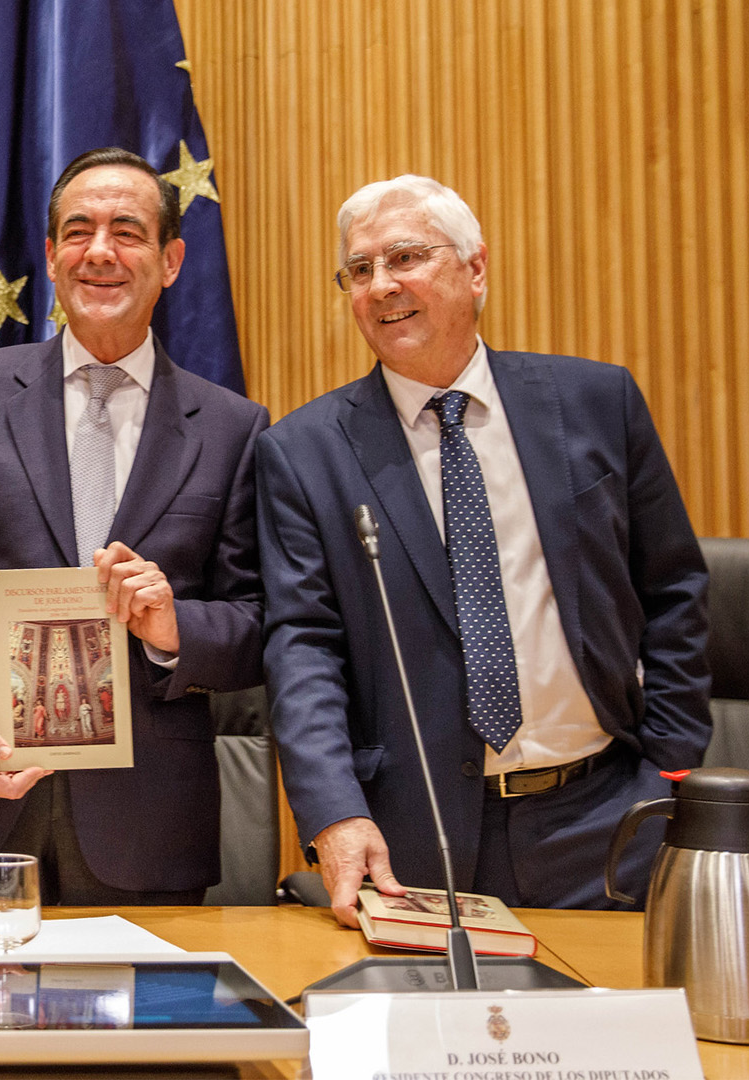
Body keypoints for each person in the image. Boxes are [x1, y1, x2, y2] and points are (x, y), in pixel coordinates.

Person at [256, 175, 710, 926]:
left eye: (406, 257)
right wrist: (334, 810)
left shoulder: (597, 403)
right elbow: (303, 646)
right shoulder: (304, 453)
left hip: (612, 818)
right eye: (359, 270)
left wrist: (672, 764)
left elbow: (672, 590)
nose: (381, 285)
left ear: (475, 268)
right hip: (415, 838)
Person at [0, 147, 269, 905]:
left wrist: (173, 626)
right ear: (52, 256)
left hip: (149, 824)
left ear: (171, 261)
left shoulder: (232, 428)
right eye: (79, 231)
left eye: (128, 231)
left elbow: (258, 623)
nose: (100, 251)